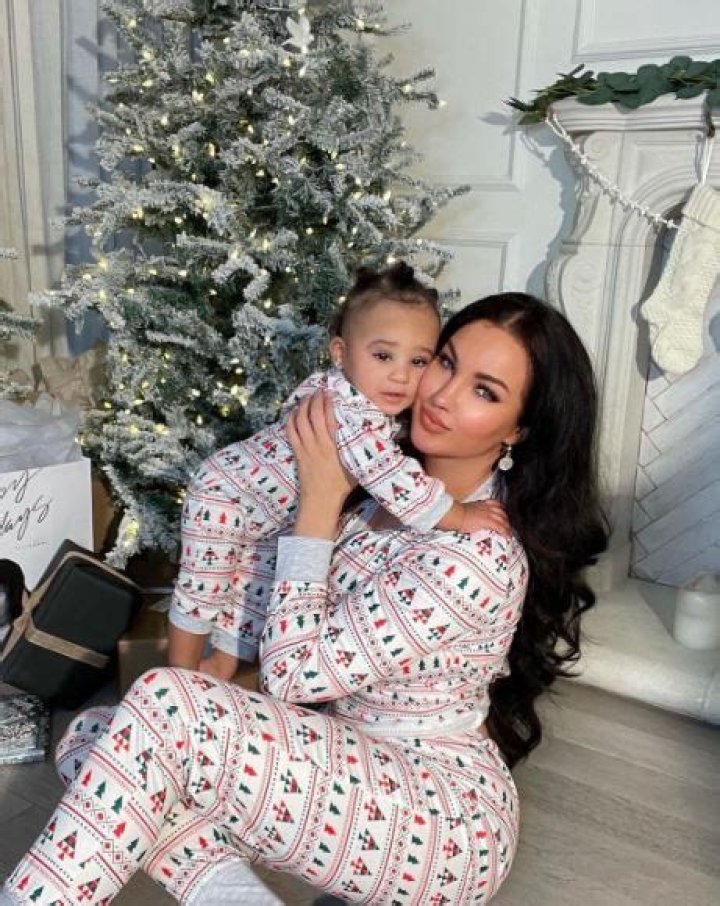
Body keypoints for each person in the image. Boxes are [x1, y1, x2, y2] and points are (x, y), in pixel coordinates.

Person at [1, 292, 608, 905]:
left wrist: (319, 500)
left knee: (162, 706)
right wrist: (222, 658)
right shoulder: (380, 492)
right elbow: (270, 585)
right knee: (94, 735)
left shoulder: (478, 554)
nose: (441, 395)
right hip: (350, 760)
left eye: (484, 391)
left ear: (519, 429)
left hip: (442, 819)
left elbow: (292, 676)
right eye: (444, 362)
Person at [169, 263, 507, 681]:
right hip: (225, 494)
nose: (401, 375)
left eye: (419, 360)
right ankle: (178, 673)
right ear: (340, 353)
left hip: (272, 512)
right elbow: (393, 479)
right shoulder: (350, 413)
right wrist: (459, 514)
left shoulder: (358, 400)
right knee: (205, 585)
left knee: (257, 583)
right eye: (382, 356)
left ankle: (219, 666)